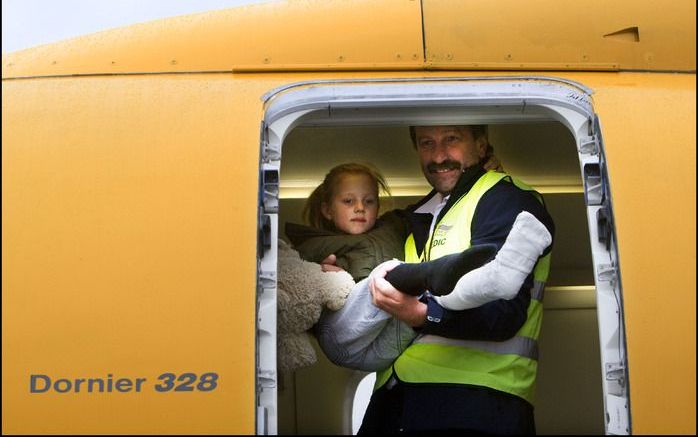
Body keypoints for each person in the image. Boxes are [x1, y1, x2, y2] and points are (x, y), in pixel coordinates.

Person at [349, 125, 555, 434]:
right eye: (426, 143)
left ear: (482, 145)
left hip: (478, 403)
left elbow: (503, 310)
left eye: (452, 139)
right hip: (397, 401)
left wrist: (422, 314)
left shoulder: (504, 198)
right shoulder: (415, 217)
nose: (439, 155)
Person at [285, 162, 552, 373]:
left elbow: (437, 201)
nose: (359, 208)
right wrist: (321, 279)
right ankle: (430, 273)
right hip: (346, 339)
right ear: (327, 210)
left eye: (369, 201)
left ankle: (479, 285)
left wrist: (480, 172)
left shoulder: (393, 227)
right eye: (348, 201)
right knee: (385, 274)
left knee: (429, 301)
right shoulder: (313, 246)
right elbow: (294, 297)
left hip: (391, 334)